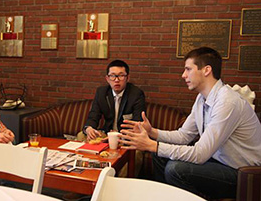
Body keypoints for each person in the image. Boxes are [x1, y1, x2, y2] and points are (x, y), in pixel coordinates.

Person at [119, 47, 261, 199]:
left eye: (188, 69)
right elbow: (184, 136)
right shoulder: (202, 98)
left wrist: (152, 145)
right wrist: (152, 132)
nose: (183, 75)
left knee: (175, 169)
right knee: (159, 156)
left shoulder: (227, 102)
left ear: (206, 70)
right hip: (219, 160)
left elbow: (200, 154)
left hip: (244, 173)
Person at [81, 59, 146, 141]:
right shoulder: (102, 92)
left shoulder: (136, 94)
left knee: (137, 148)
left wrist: (119, 135)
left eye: (121, 76)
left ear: (128, 78)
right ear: (107, 78)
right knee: (81, 136)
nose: (116, 80)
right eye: (112, 76)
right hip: (107, 133)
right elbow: (94, 115)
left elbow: (138, 122)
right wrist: (89, 128)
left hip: (127, 136)